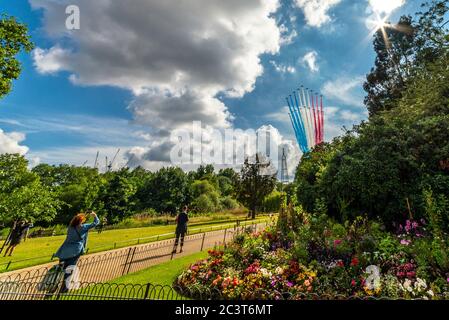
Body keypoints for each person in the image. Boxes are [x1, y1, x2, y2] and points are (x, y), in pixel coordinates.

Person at [54, 211, 99, 292]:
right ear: (81, 221)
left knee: (60, 269)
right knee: (69, 269)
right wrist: (94, 216)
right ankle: (64, 288)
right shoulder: (83, 227)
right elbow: (96, 223)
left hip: (64, 250)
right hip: (75, 251)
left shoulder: (70, 227)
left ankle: (53, 285)